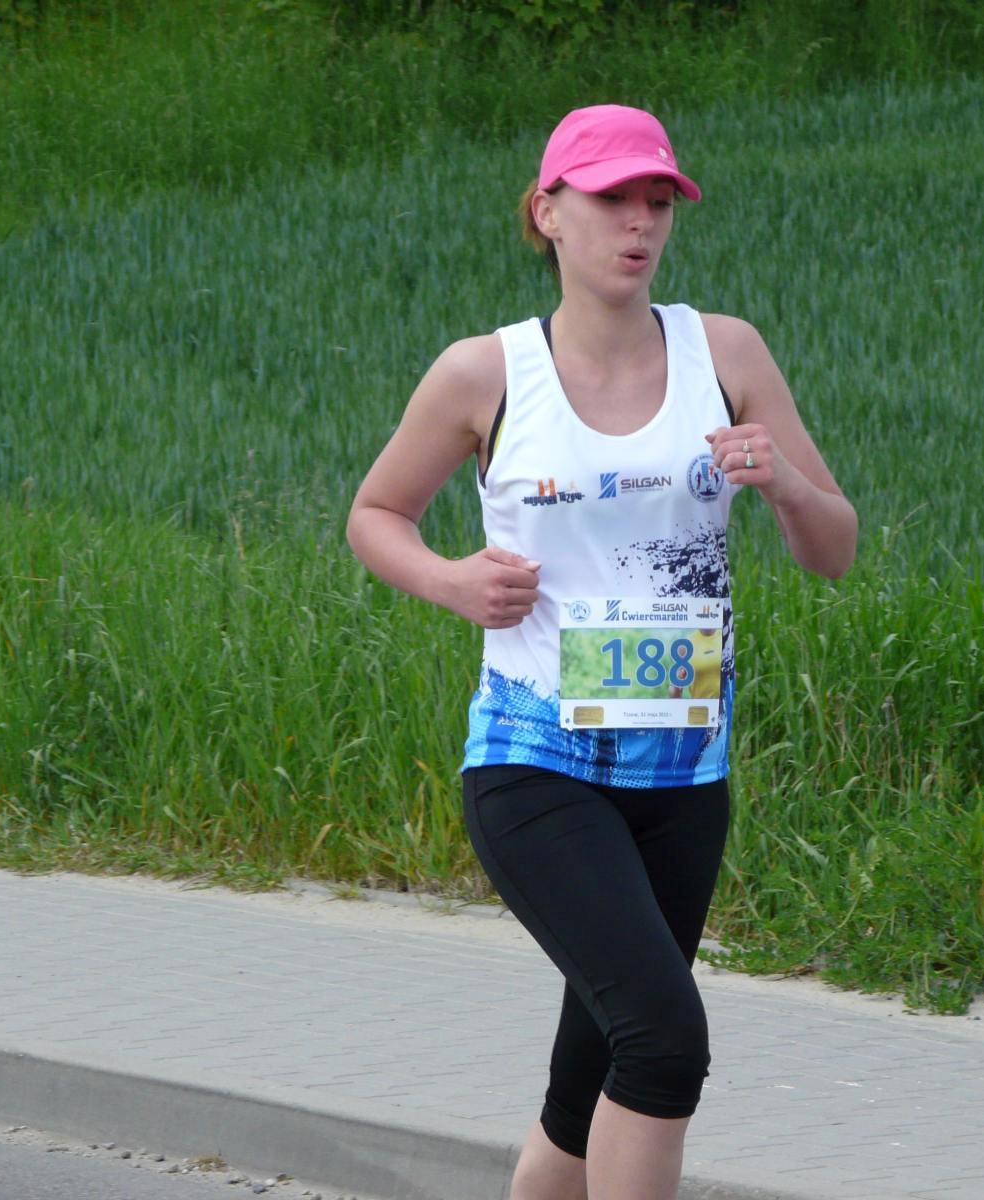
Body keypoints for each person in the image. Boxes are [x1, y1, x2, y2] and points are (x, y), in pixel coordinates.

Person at [345, 103, 856, 1200]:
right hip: (537, 767)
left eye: (658, 200)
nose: (640, 222)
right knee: (665, 1042)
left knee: (584, 1099)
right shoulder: (485, 374)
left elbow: (835, 549)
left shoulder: (724, 353)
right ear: (548, 213)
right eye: (614, 198)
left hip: (684, 776)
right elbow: (375, 515)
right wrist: (450, 581)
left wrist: (785, 485)